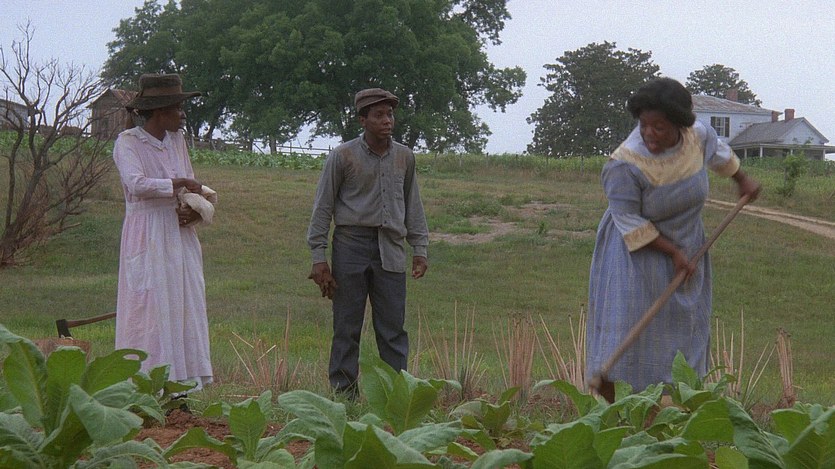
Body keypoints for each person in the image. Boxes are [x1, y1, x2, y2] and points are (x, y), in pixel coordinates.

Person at [585, 77, 761, 401]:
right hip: (636, 253)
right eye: (644, 125)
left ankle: (677, 404)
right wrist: (673, 253)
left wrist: (742, 180)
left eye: (659, 127)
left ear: (680, 125)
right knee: (633, 330)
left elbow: (719, 155)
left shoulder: (698, 136)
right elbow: (629, 221)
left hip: (688, 242)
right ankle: (624, 403)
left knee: (683, 328)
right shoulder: (624, 164)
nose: (649, 134)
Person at [307, 87, 429, 397]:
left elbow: (412, 204)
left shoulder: (405, 157)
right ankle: (344, 395)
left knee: (393, 329)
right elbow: (323, 206)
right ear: (363, 120)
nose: (387, 121)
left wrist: (420, 248)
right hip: (351, 245)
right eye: (378, 115)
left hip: (391, 247)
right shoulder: (342, 156)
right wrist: (319, 257)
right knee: (346, 326)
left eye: (390, 114)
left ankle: (395, 396)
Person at [113, 73, 214, 393]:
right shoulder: (128, 142)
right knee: (150, 308)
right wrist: (179, 183)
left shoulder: (177, 141)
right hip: (147, 233)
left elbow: (189, 183)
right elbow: (136, 184)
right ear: (159, 111)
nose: (182, 115)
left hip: (178, 232)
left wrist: (193, 209)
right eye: (178, 108)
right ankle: (145, 384)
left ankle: (180, 386)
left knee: (183, 303)